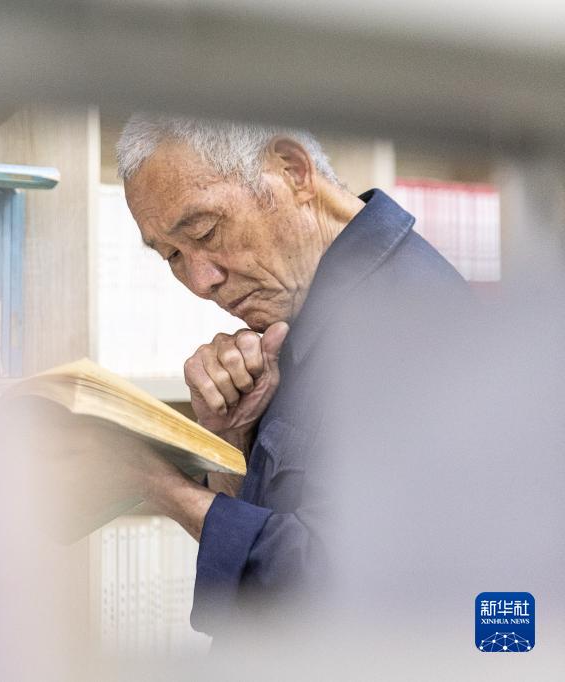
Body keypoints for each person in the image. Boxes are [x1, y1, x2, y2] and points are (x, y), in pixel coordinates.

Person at [112, 115, 473, 638]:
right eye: (172, 256)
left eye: (206, 232)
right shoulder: (302, 315)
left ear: (293, 171)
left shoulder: (413, 321)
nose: (201, 281)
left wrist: (159, 485)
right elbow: (264, 557)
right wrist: (231, 439)